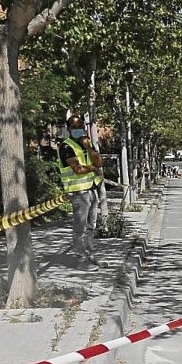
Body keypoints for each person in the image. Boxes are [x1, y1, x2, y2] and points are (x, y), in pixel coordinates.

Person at [57, 115, 104, 269]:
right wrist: (92, 169)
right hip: (78, 192)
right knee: (80, 228)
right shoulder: (66, 147)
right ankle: (80, 260)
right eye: (74, 127)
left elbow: (99, 162)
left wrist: (89, 147)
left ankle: (90, 255)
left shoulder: (85, 144)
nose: (77, 130)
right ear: (69, 129)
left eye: (80, 126)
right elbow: (77, 169)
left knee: (91, 226)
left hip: (91, 190)